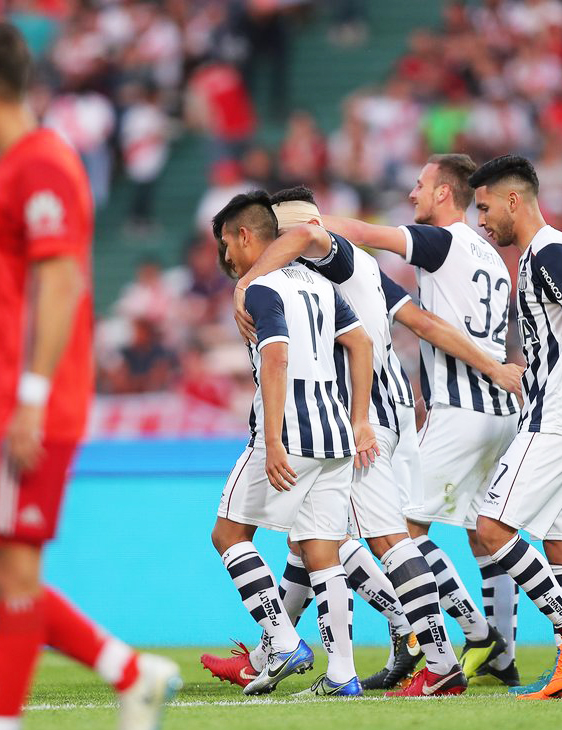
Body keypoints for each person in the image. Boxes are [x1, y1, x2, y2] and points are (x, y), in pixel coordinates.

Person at [0, 20, 179, 730]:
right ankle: (129, 671)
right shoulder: (4, 171)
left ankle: (1, 719)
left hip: (33, 401)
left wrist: (30, 401)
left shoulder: (42, 163)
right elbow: (13, 293)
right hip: (1, 397)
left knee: (15, 574)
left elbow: (60, 283)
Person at [226, 186, 474, 696]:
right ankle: (314, 661)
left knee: (375, 541)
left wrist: (249, 280)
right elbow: (417, 323)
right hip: (366, 418)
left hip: (356, 421)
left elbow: (308, 234)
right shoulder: (345, 279)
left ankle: (416, 639)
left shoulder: (326, 261)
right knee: (321, 543)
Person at [322, 154, 524, 684]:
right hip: (501, 414)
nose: (413, 194)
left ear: (443, 194)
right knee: (486, 535)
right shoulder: (491, 256)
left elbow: (362, 232)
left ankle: (467, 636)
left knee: (401, 531)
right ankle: (500, 653)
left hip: (462, 407)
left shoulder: (443, 241)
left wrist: (301, 227)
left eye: (420, 186)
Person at [209, 190, 377, 697]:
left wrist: (275, 439)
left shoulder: (262, 285)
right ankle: (343, 675)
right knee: (322, 552)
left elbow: (276, 358)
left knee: (229, 535)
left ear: (245, 235)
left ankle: (283, 641)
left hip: (288, 433)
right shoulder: (319, 284)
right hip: (335, 436)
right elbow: (362, 343)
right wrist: (359, 418)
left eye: (228, 245)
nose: (228, 259)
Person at [468, 154, 562, 701]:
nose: (481, 220)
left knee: (492, 529)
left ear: (514, 200)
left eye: (484, 207)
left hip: (558, 418)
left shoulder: (550, 250)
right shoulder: (536, 255)